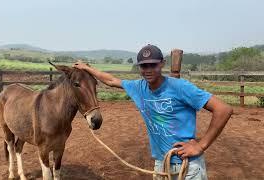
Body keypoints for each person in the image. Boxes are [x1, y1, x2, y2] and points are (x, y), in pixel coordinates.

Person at [73, 44, 233, 180]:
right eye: (144, 66)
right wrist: (87, 68)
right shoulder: (138, 87)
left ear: (162, 64)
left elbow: (223, 109)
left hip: (188, 166)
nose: (148, 70)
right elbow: (111, 80)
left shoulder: (180, 87)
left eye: (153, 65)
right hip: (161, 164)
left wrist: (201, 145)